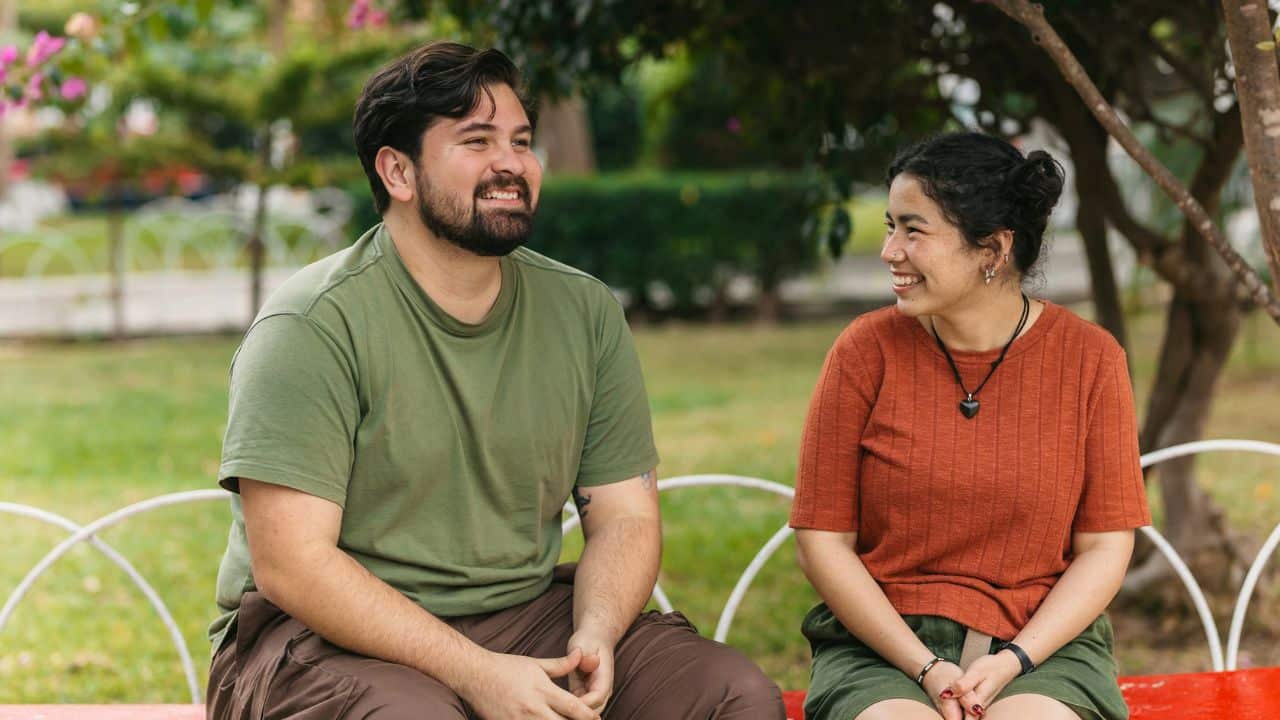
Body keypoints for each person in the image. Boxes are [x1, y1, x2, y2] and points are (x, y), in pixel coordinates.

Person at [206, 41, 783, 720]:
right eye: (476, 141)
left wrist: (595, 633)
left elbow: (625, 516)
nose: (512, 163)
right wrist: (477, 673)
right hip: (316, 642)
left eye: (521, 140)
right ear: (397, 170)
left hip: (525, 617)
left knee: (730, 696)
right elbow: (293, 566)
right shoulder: (311, 324)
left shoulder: (584, 311)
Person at [789, 132, 1150, 720]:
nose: (890, 251)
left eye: (913, 230)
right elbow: (821, 540)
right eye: (889, 226)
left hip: (1043, 648)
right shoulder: (864, 351)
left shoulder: (1091, 359)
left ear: (993, 249)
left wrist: (1014, 659)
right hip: (882, 645)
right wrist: (926, 668)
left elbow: (1107, 546)